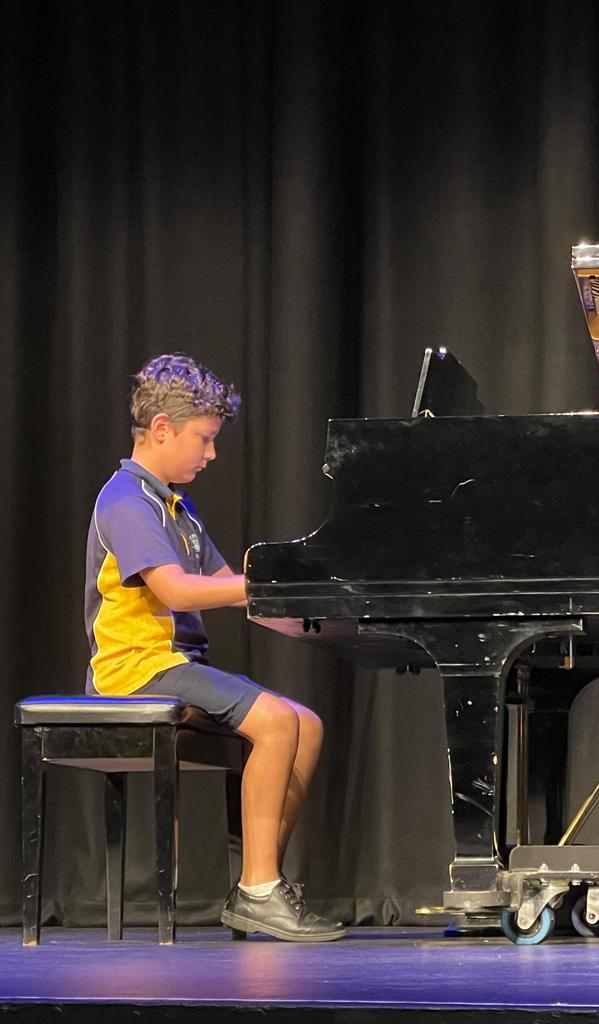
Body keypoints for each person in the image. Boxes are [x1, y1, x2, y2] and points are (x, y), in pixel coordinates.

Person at [84, 352, 344, 942]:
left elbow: (236, 592)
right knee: (276, 721)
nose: (211, 453)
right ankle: (259, 891)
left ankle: (257, 883)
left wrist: (319, 618)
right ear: (161, 430)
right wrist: (259, 584)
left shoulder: (178, 509)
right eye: (204, 439)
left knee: (308, 724)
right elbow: (177, 589)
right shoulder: (126, 499)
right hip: (136, 670)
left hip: (177, 667)